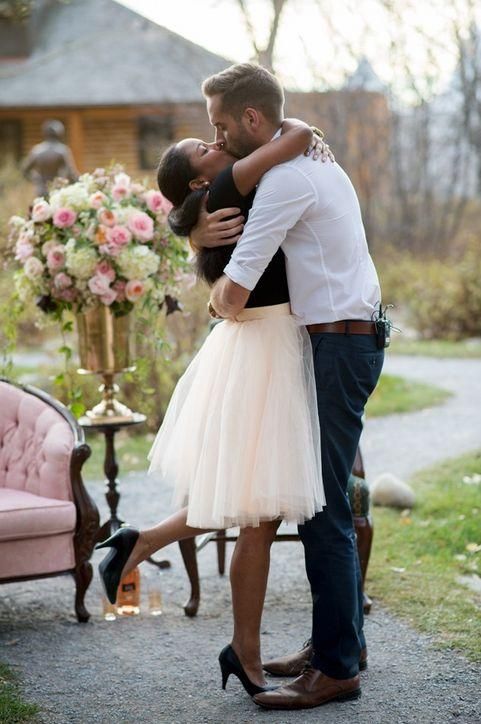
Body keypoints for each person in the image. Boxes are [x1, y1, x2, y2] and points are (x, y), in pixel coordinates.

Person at [96, 118, 330, 698]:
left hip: (253, 345)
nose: (216, 142)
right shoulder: (227, 188)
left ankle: (142, 542)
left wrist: (190, 228)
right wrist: (298, 126)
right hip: (267, 349)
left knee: (249, 497)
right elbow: (296, 136)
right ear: (199, 178)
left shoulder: (217, 203)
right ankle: (243, 650)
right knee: (259, 514)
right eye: (204, 146)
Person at [190, 62, 385, 710]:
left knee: (324, 508)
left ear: (252, 120)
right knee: (324, 502)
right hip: (342, 339)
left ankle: (335, 669)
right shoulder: (310, 160)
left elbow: (234, 293)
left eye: (220, 125)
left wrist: (211, 288)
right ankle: (337, 644)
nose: (215, 136)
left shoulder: (283, 181)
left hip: (338, 345)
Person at [21, 119, 78, 198]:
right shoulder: (62, 150)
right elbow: (71, 172)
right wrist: (80, 183)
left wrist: (36, 179)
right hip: (57, 190)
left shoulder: (37, 150)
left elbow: (25, 170)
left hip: (40, 190)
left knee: (41, 209)